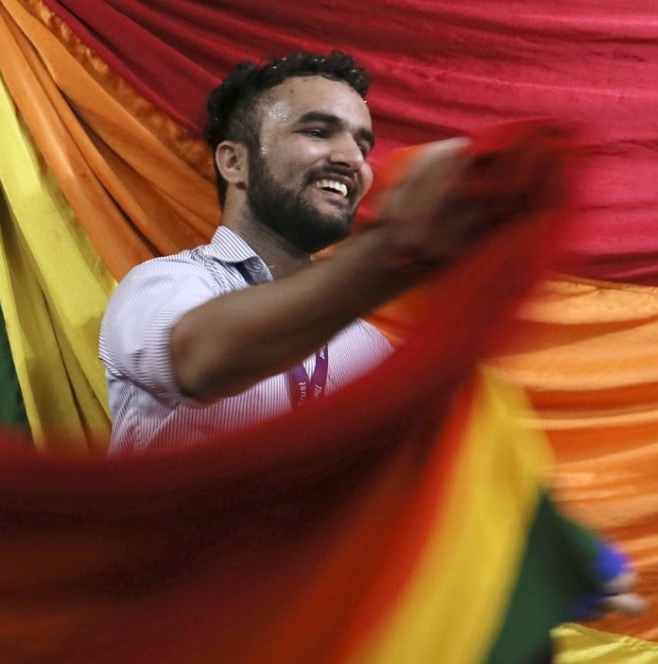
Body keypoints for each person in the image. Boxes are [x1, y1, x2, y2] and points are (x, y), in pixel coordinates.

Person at [100, 50, 512, 453]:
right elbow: (199, 358)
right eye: (317, 132)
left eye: (363, 147)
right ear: (234, 163)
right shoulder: (161, 285)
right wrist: (394, 252)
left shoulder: (369, 350)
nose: (353, 159)